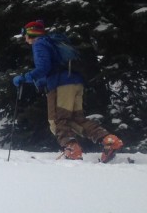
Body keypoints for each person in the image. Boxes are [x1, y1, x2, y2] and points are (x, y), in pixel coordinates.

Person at [13, 20, 123, 161]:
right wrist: (41, 81)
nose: (25, 39)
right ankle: (109, 140)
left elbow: (43, 68)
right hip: (75, 82)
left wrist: (24, 78)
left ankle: (72, 149)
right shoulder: (52, 43)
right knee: (77, 119)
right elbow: (55, 67)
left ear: (30, 33)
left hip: (61, 85)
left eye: (25, 34)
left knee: (57, 120)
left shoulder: (39, 43)